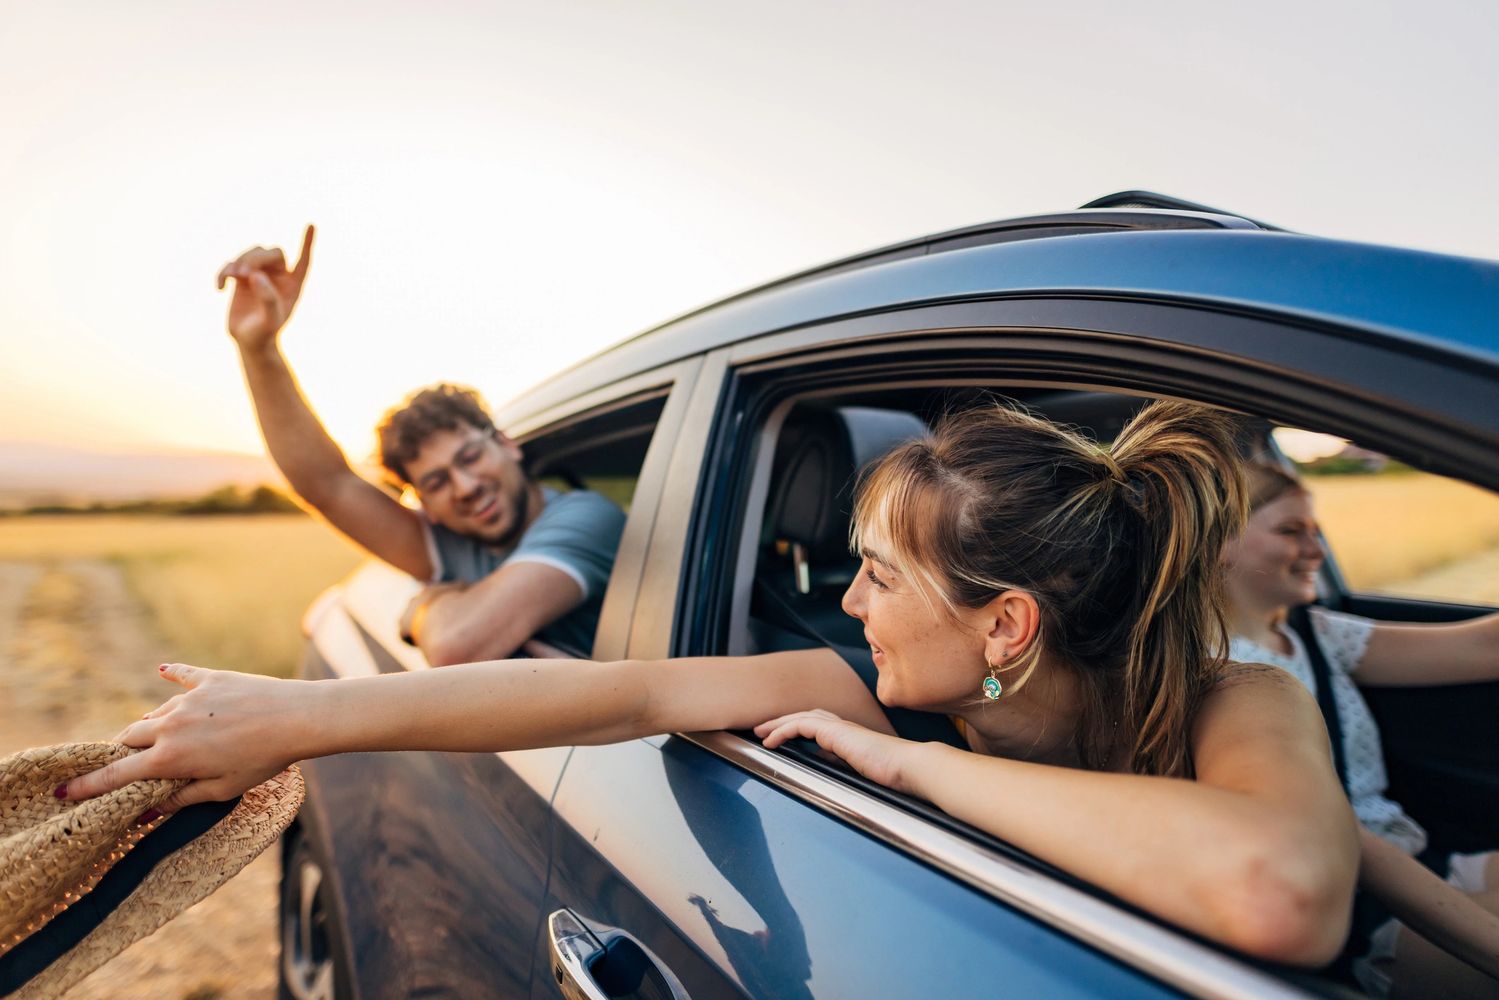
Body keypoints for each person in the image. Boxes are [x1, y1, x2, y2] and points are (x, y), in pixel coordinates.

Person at [65, 401, 1361, 967]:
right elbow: (622, 697)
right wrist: (299, 716)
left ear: (1004, 623)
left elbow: (1284, 891)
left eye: (872, 576)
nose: (842, 603)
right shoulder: (857, 679)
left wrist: (918, 767)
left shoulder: (1235, 698)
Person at [215, 227, 625, 664]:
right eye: (436, 481)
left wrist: (421, 611)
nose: (465, 487)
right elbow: (327, 484)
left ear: (507, 444)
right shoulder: (447, 543)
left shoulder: (586, 517)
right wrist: (258, 349)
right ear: (423, 503)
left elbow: (458, 644)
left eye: (470, 456)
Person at [1222, 461, 1499, 995]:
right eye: (1290, 531)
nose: (1316, 551)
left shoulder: (1319, 634)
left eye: (1316, 532)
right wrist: (998, 683)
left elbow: (1482, 647)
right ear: (1217, 542)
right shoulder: (1204, 668)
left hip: (1420, 857)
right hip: (1355, 900)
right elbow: (1000, 689)